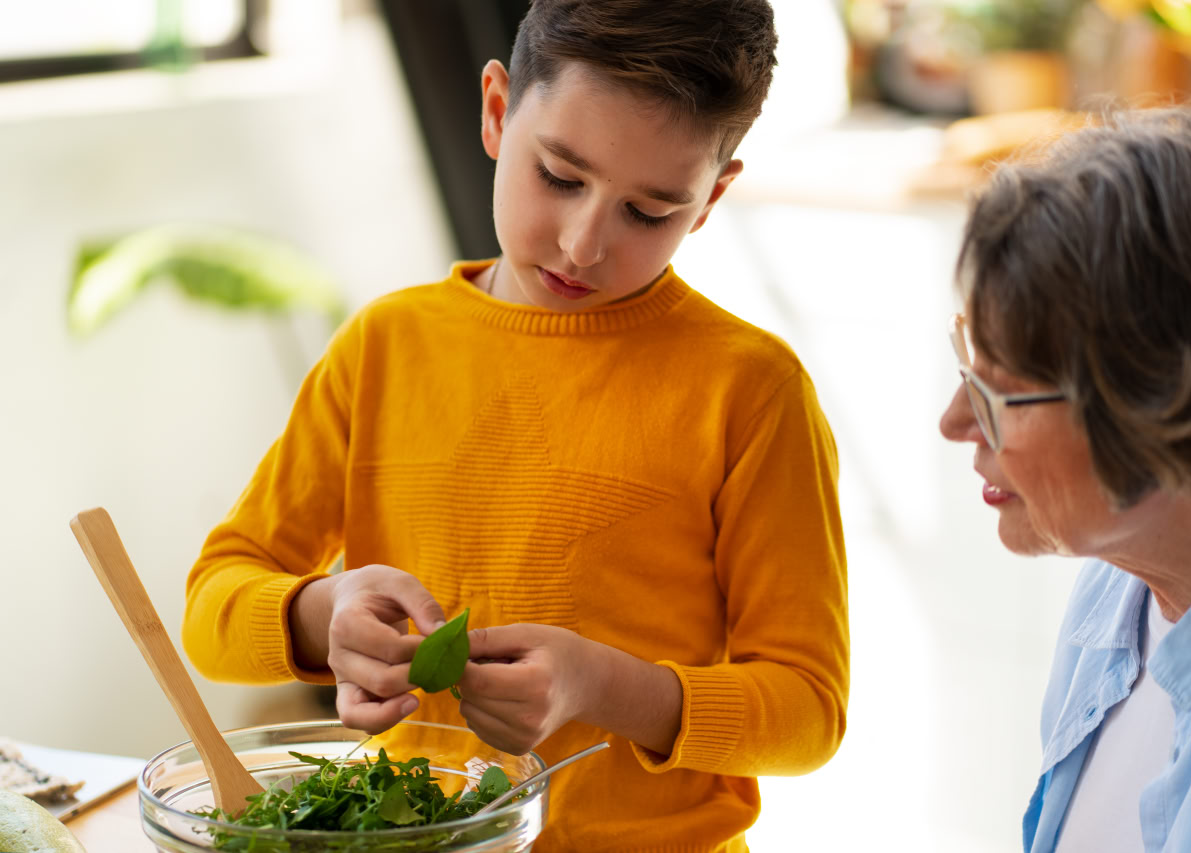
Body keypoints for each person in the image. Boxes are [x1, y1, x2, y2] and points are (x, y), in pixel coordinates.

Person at [182, 1, 849, 849]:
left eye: (648, 213)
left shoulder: (751, 390)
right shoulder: (385, 347)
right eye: (562, 177)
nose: (582, 244)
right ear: (497, 111)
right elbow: (212, 605)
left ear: (713, 196)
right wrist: (322, 613)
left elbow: (808, 711)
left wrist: (610, 687)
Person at [939, 102, 1191, 852]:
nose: (956, 419)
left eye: (1002, 390)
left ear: (1167, 406)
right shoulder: (1117, 587)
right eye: (969, 366)